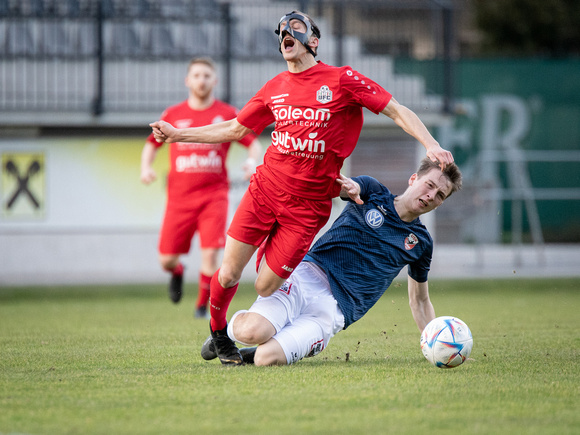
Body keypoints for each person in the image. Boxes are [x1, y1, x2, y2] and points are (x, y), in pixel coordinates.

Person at [150, 11, 454, 365]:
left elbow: (397, 111)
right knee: (230, 272)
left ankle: (254, 314)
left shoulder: (342, 80)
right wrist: (177, 134)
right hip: (264, 190)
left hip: (307, 208)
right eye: (281, 31)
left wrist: (430, 143)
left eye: (295, 27)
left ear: (313, 40)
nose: (285, 33)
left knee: (265, 286)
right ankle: (219, 334)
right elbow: (235, 129)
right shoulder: (275, 87)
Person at [201, 158, 463, 366]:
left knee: (264, 359)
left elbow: (419, 300)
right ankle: (223, 334)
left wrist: (434, 341)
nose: (431, 195)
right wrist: (352, 189)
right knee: (253, 331)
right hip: (305, 276)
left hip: (334, 311)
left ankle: (269, 346)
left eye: (440, 195)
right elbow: (351, 188)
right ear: (414, 178)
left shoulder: (421, 242)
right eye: (430, 185)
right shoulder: (373, 191)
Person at [141, 57, 262, 318]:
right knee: (166, 259)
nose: (202, 80)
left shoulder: (228, 114)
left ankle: (201, 308)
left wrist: (252, 161)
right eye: (196, 75)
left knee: (211, 256)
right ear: (188, 80)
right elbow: (152, 143)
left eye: (207, 75)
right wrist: (146, 168)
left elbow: (253, 142)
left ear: (214, 80)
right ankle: (177, 272)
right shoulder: (173, 114)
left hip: (214, 197)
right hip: (179, 199)